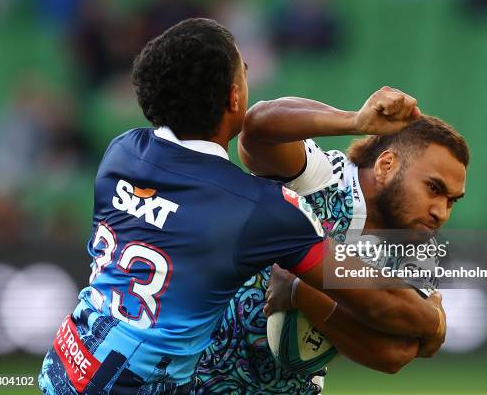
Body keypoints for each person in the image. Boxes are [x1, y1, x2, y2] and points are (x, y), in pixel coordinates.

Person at [38, 18, 445, 394]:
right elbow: (381, 303)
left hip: (67, 364)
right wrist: (433, 320)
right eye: (243, 71)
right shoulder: (258, 210)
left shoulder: (121, 153)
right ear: (234, 97)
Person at [197, 94, 468, 393]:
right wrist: (354, 121)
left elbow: (394, 356)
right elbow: (257, 127)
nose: (440, 212)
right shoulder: (324, 177)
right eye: (433, 188)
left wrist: (305, 294)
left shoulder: (418, 252)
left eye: (451, 201)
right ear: (386, 166)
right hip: (196, 376)